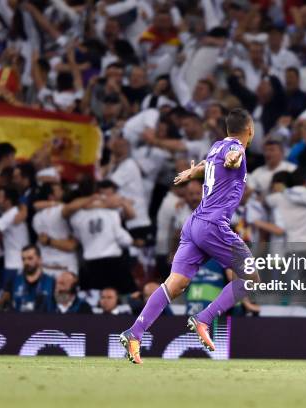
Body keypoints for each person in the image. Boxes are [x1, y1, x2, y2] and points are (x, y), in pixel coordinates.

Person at [120, 108, 260, 364]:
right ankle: (204, 319)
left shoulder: (217, 145)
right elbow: (234, 156)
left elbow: (211, 163)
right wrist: (233, 160)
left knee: (175, 284)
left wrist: (191, 172)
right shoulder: (236, 149)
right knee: (250, 277)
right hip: (214, 225)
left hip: (194, 223)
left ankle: (135, 333)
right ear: (249, 130)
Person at [9, 245, 55, 312]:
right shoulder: (14, 281)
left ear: (40, 260)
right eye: (23, 259)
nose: (26, 262)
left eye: (30, 258)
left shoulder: (52, 282)